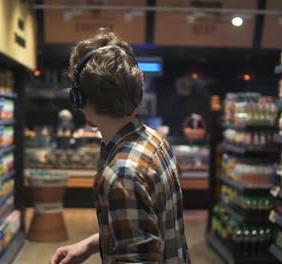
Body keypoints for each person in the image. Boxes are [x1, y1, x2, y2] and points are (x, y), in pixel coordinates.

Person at [50, 28, 190, 264]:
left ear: (80, 99)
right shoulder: (155, 141)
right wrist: (92, 243)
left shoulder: (121, 174)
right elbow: (150, 231)